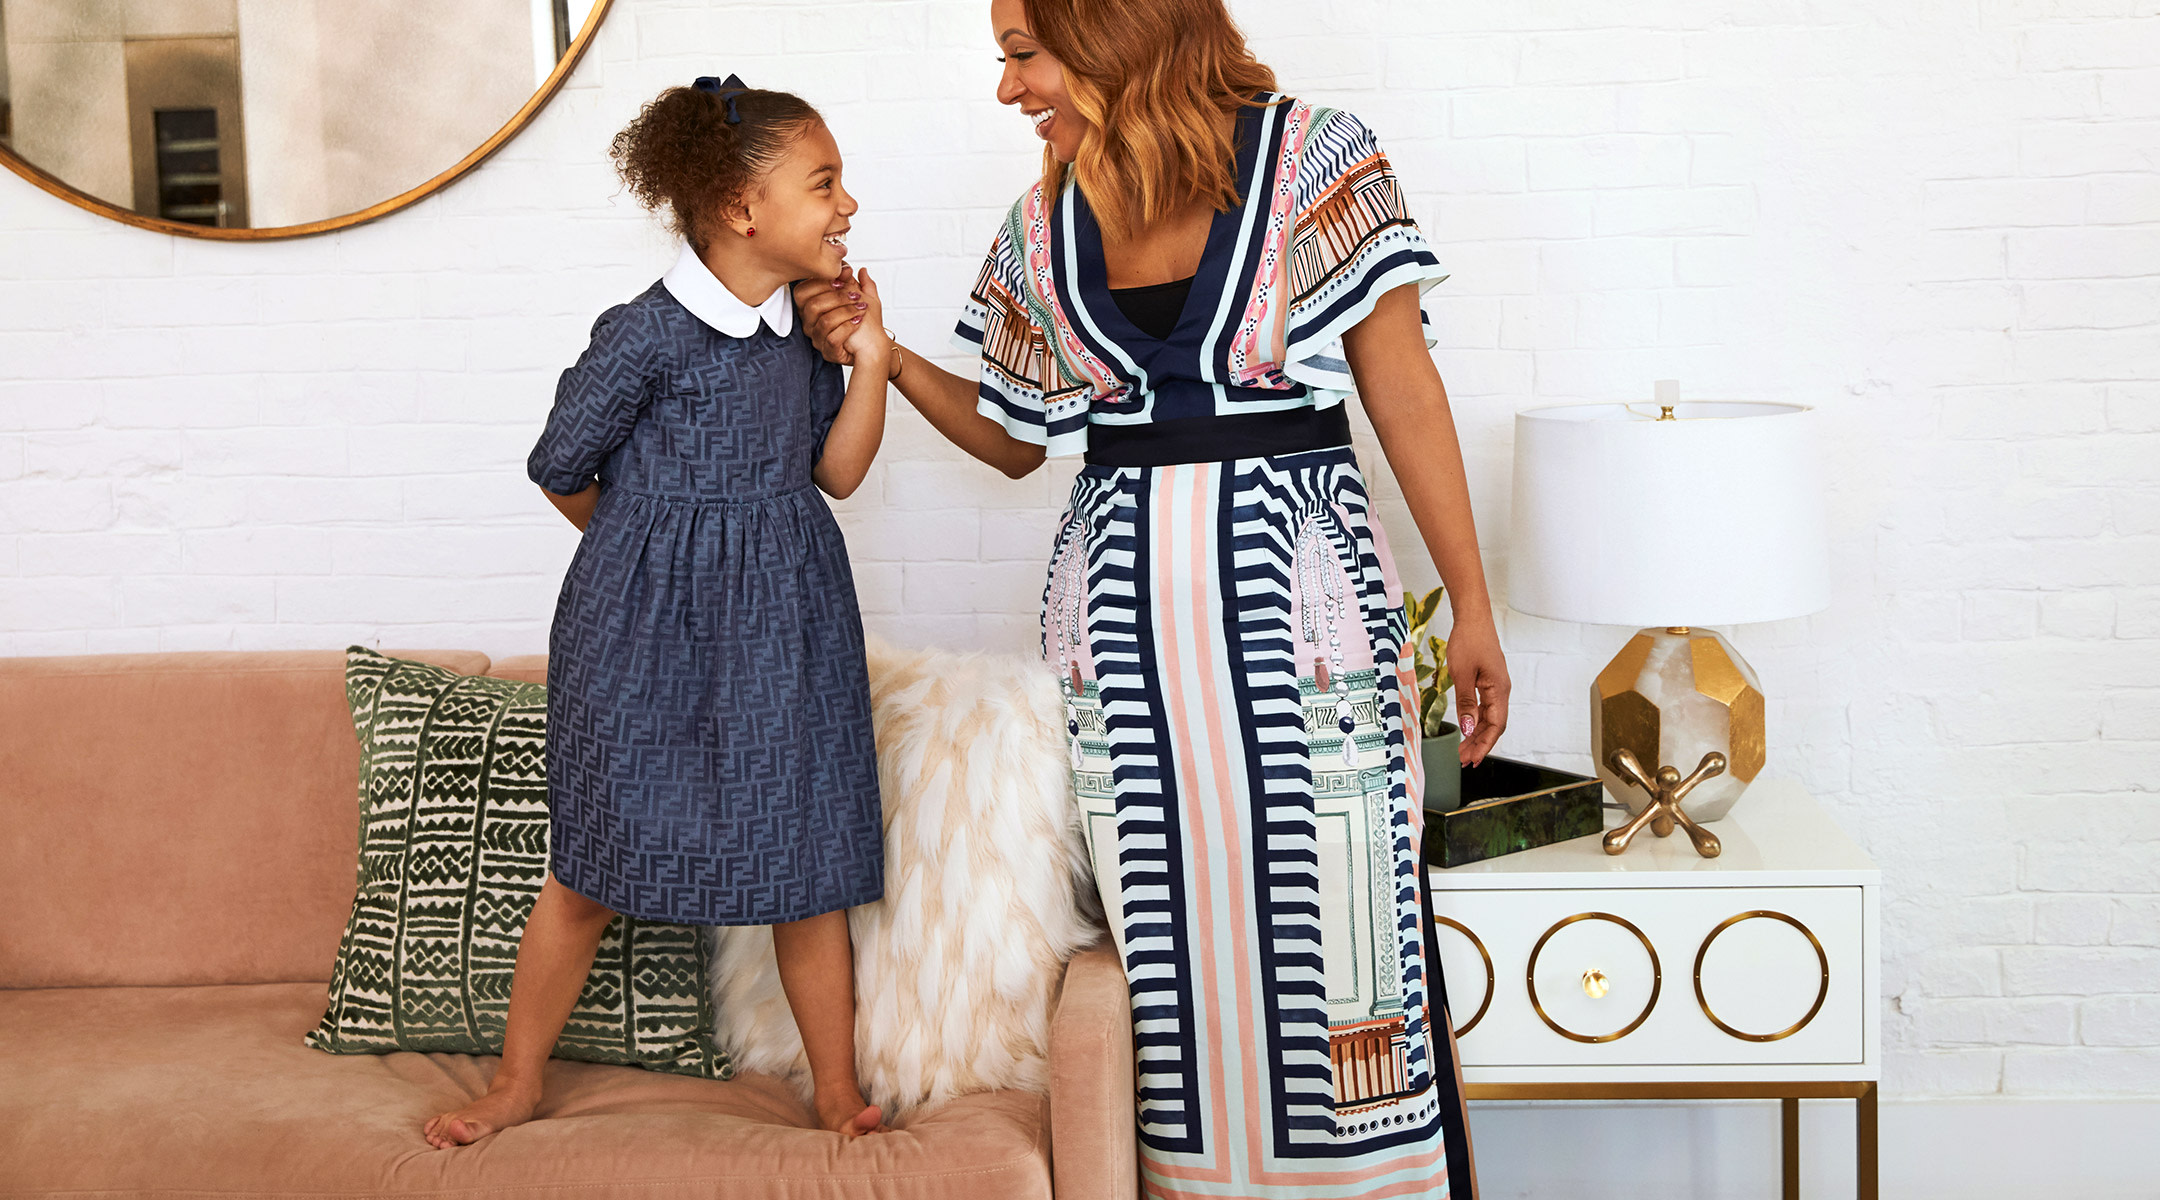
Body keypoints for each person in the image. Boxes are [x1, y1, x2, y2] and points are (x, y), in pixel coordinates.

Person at [797, 1, 1510, 1194]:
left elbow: (1405, 393)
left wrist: (1471, 607)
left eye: (1024, 54)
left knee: (1339, 915)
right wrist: (888, 352)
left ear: (1115, 33)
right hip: (1121, 630)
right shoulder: (1044, 221)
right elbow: (1020, 442)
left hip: (1304, 614)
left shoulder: (1319, 159)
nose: (1009, 88)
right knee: (1170, 941)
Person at [426, 75, 897, 1148]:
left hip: (789, 625)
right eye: (824, 183)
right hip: (639, 640)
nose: (847, 205)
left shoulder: (804, 336)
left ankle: (834, 1086)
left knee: (805, 864)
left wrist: (868, 359)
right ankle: (514, 1082)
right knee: (588, 869)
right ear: (743, 207)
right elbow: (560, 465)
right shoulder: (642, 335)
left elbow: (838, 472)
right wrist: (651, 554)